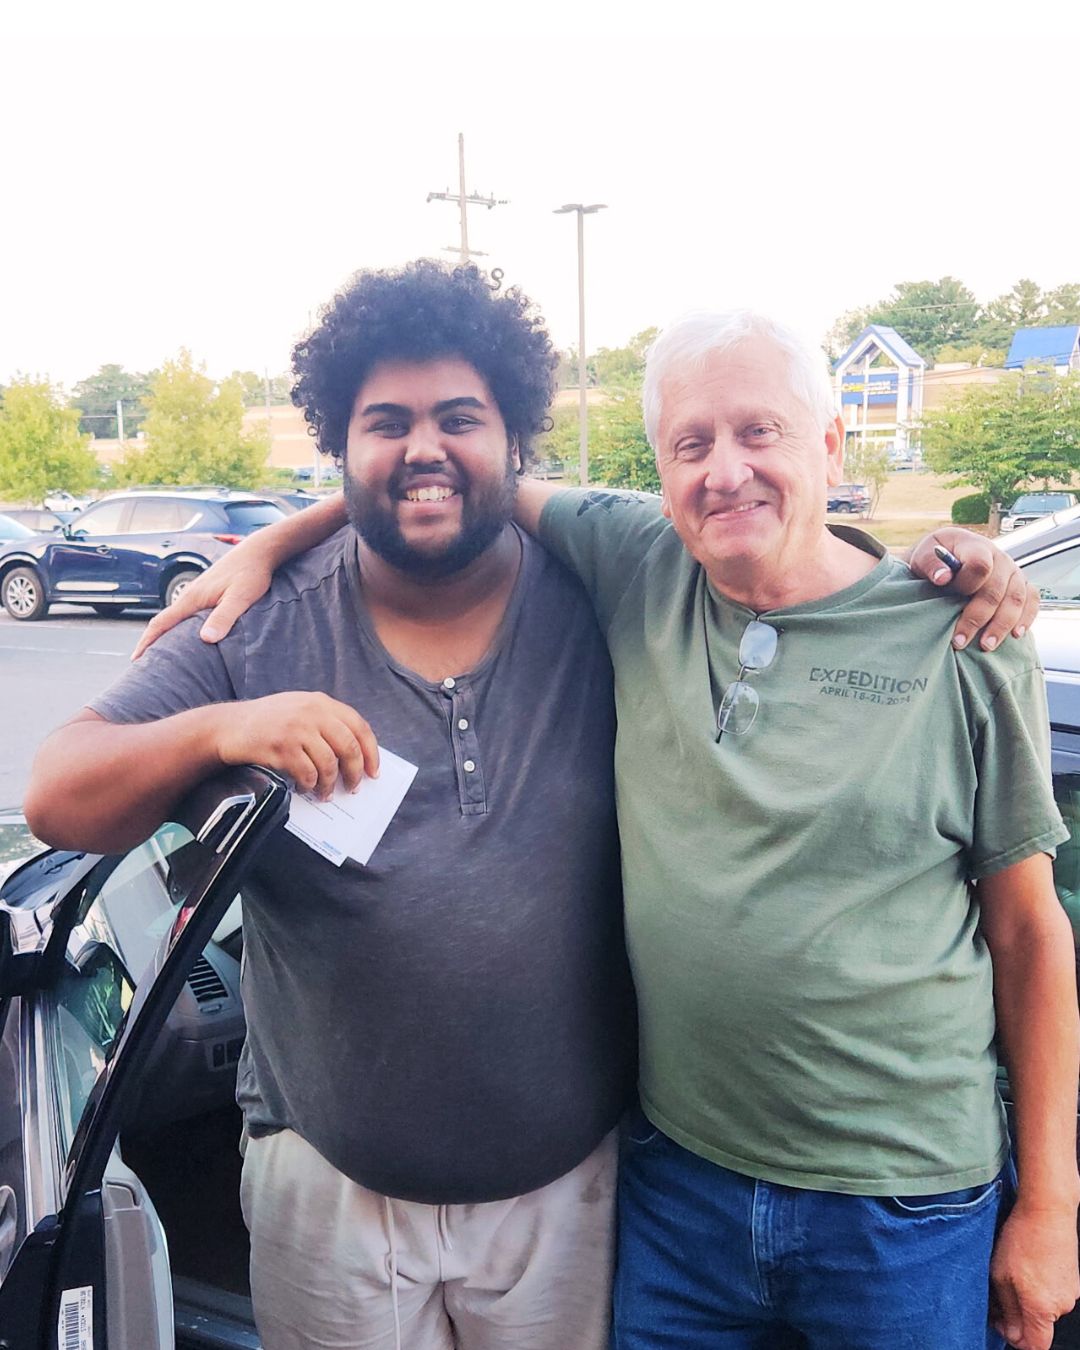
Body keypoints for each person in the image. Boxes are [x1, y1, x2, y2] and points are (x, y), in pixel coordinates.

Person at [150, 304, 1072, 1350]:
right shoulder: (642, 566)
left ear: (829, 444)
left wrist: (1050, 1208)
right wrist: (281, 533)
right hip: (680, 1187)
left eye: (760, 433)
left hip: (901, 1206)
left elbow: (1032, 934)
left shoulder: (964, 637)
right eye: (692, 444)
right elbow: (451, 478)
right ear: (663, 470)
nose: (725, 471)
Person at [24, 261, 637, 1350]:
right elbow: (60, 793)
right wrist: (220, 730)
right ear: (340, 446)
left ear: (515, 435)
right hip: (332, 1201)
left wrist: (951, 568)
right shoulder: (258, 630)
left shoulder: (601, 594)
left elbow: (770, 564)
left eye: (461, 418)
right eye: (384, 423)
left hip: (566, 1199)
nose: (424, 448)